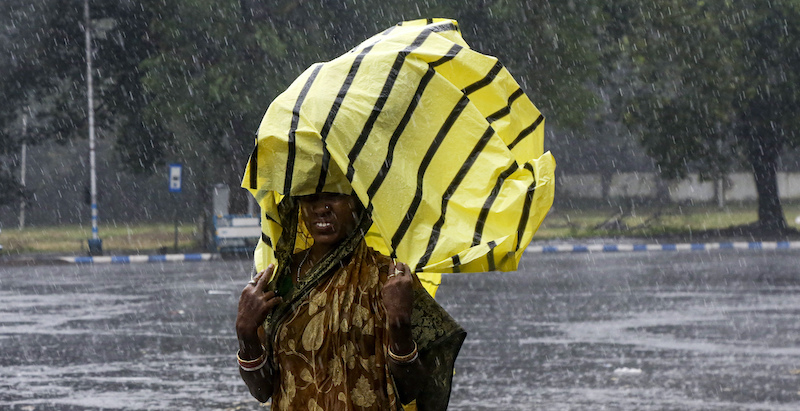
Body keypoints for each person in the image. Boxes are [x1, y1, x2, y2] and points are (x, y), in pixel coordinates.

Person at [235, 192, 464, 410]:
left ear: (358, 203)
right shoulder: (280, 280)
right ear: (299, 207)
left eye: (334, 196)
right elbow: (261, 389)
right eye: (311, 198)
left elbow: (411, 389)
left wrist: (399, 324)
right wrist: (245, 332)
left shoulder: (389, 279)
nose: (321, 209)